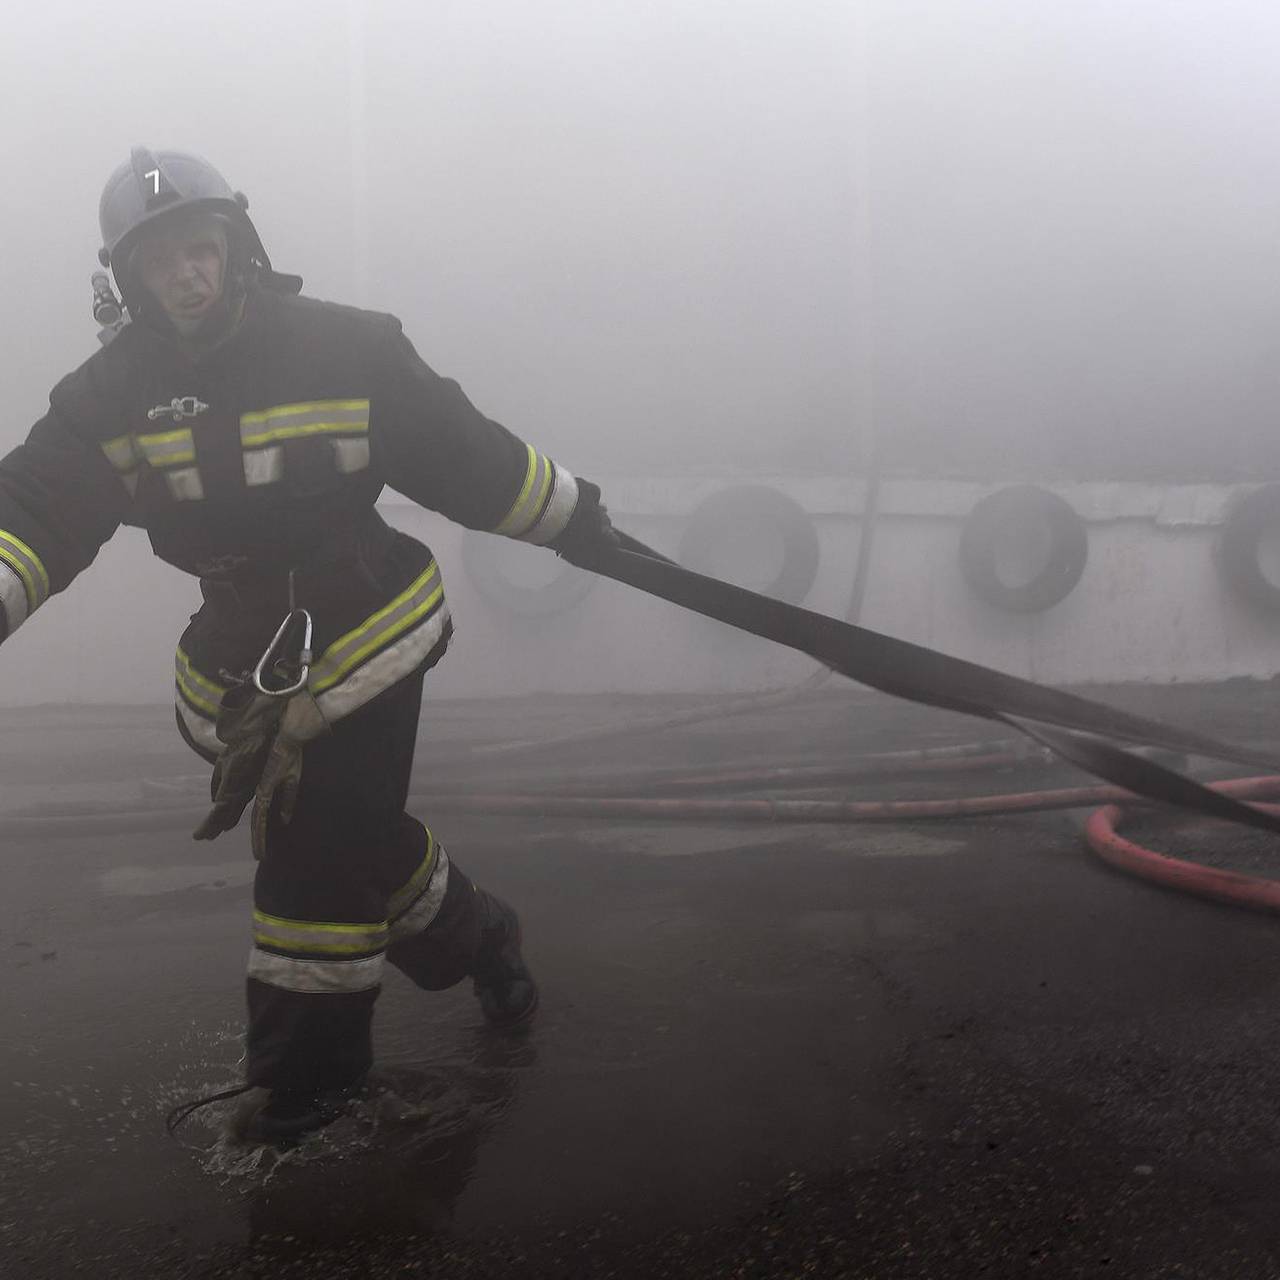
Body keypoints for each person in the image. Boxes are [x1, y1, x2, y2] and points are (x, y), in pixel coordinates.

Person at [0, 147, 617, 1144]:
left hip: (365, 623)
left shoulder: (350, 349)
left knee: (313, 853)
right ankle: (485, 933)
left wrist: (573, 516)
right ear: (129, 279)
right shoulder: (104, 398)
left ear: (236, 245)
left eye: (201, 250)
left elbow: (464, 455)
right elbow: (33, 505)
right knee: (356, 836)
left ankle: (304, 1090)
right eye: (161, 263)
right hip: (241, 651)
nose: (188, 275)